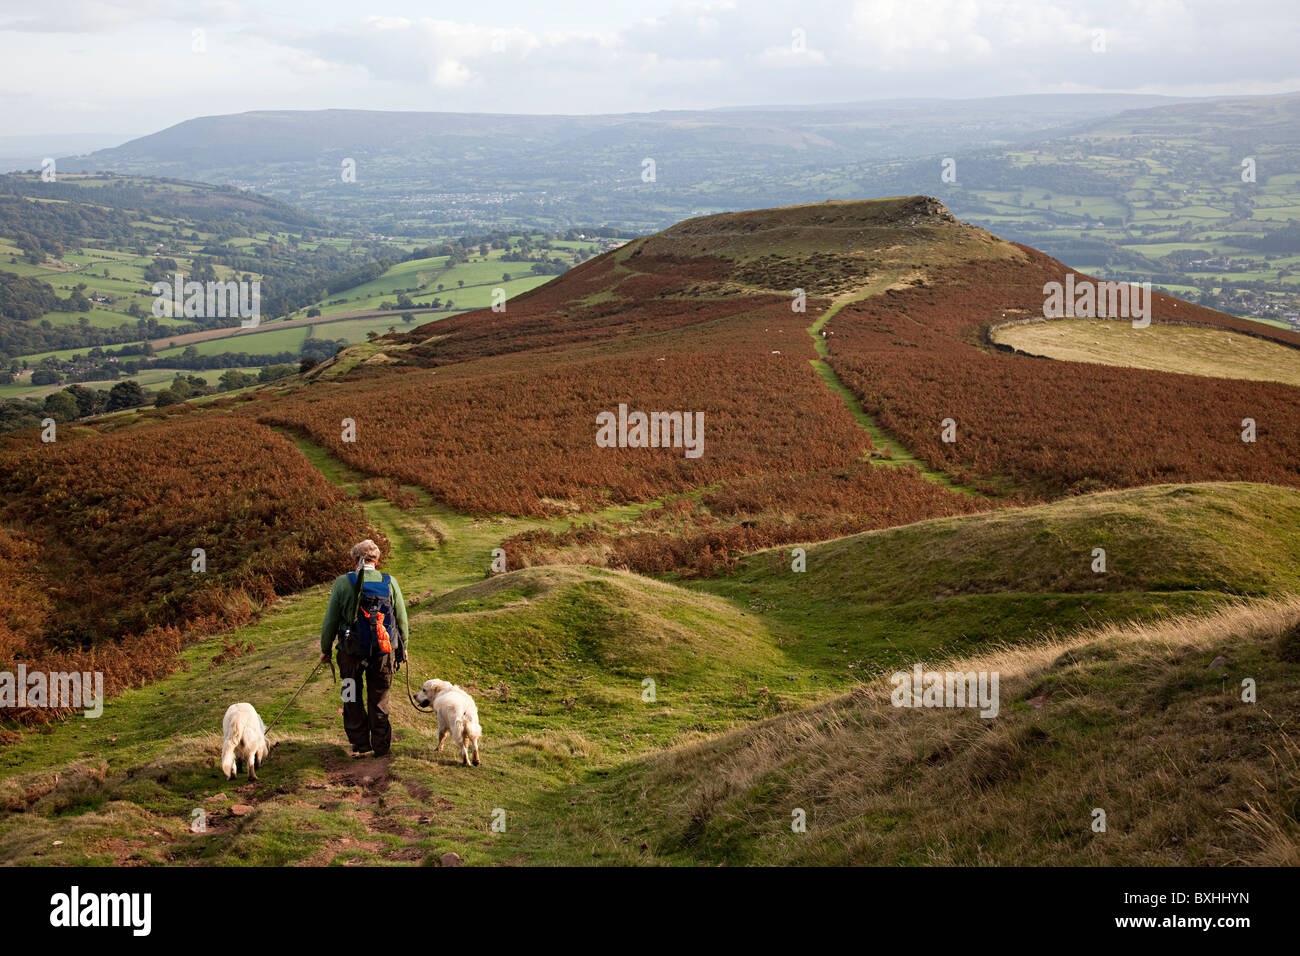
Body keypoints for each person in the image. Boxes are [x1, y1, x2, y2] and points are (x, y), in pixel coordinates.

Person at [320, 539, 409, 757]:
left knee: (350, 695)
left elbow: (330, 620)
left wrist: (325, 648)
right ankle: (381, 746)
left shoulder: (342, 583)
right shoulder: (389, 582)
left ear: (355, 559)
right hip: (382, 652)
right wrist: (402, 646)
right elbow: (401, 618)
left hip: (350, 653)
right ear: (376, 560)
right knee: (379, 697)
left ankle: (360, 744)